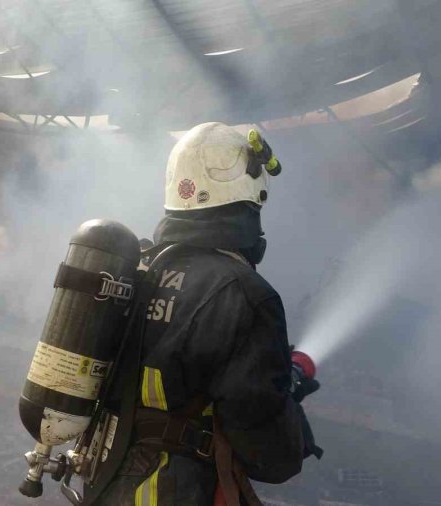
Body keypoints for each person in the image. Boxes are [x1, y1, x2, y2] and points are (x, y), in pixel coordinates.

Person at [94, 122, 321, 506]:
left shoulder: (138, 270)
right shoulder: (245, 295)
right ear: (249, 199)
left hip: (106, 483)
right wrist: (287, 399)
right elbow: (271, 457)